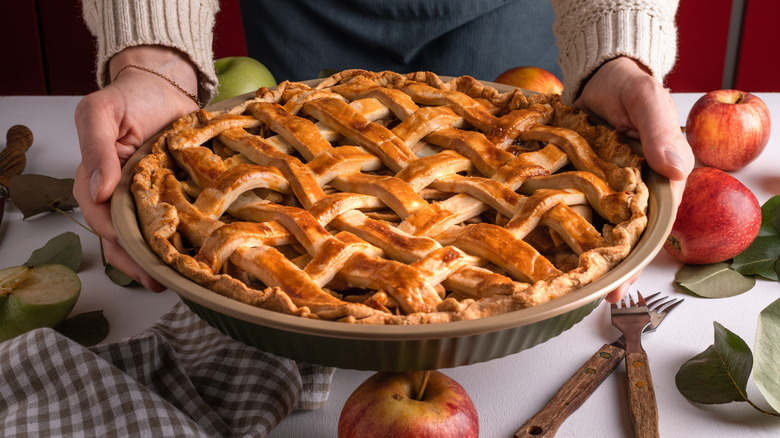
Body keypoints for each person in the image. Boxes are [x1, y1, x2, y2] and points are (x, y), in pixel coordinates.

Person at [74, 0, 694, 301]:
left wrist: (614, 49)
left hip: (508, 89)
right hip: (298, 100)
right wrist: (153, 58)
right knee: (286, 193)